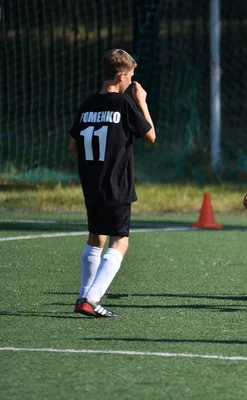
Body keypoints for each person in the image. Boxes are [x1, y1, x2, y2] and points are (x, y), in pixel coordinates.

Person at [68, 49, 156, 318]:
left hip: (91, 183)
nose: (132, 80)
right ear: (120, 76)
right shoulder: (124, 103)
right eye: (130, 75)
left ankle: (84, 295)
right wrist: (142, 102)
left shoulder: (88, 104)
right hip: (116, 184)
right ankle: (92, 299)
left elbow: (73, 147)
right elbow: (150, 136)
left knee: (96, 238)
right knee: (120, 242)